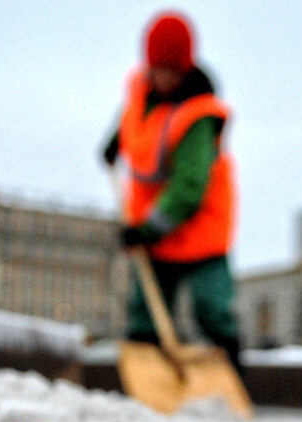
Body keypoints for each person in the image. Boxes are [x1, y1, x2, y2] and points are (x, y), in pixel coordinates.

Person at [103, 9, 243, 375]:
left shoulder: (197, 116)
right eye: (158, 69)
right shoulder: (139, 91)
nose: (164, 78)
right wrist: (113, 143)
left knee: (211, 309)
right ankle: (149, 383)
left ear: (186, 68)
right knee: (144, 315)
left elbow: (189, 189)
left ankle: (232, 377)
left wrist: (145, 229)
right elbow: (131, 119)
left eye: (173, 71)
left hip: (200, 231)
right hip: (155, 231)